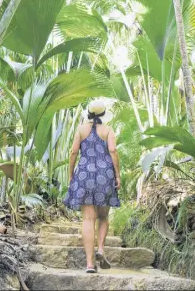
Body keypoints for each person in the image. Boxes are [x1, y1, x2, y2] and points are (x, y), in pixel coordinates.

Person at [63, 99, 121, 273]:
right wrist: (117, 175)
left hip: (84, 174)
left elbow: (73, 152)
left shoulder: (81, 130)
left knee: (88, 219)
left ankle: (89, 264)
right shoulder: (108, 130)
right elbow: (113, 151)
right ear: (104, 114)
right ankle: (101, 249)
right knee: (103, 216)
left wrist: (71, 174)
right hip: (105, 174)